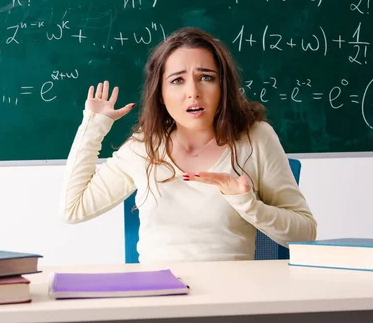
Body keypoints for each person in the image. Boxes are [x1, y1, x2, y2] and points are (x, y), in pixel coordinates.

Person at [60, 27, 316, 263]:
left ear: (223, 86)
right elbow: (73, 210)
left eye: (206, 77)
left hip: (231, 294)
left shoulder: (255, 138)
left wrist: (246, 202)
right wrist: (93, 126)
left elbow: (305, 232)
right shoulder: (142, 147)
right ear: (160, 92)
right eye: (177, 80)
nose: (193, 92)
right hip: (159, 294)